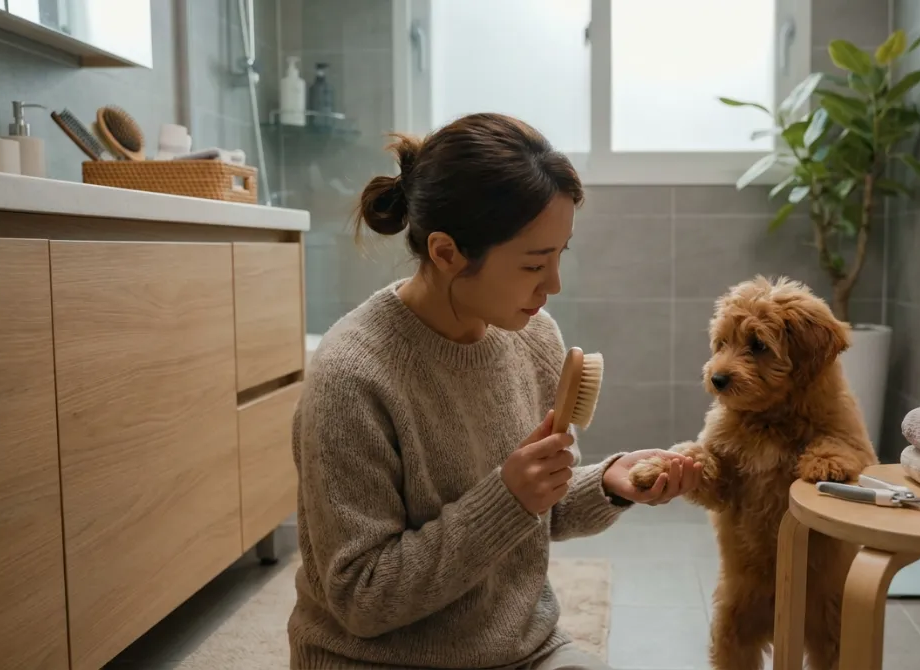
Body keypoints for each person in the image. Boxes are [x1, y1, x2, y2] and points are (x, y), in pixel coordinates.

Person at [288, 112, 703, 670]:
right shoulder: (351, 378)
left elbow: (538, 513)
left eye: (560, 255)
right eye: (534, 264)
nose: (554, 285)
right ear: (446, 253)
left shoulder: (533, 336)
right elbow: (362, 597)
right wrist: (508, 499)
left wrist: (608, 483)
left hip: (523, 651)